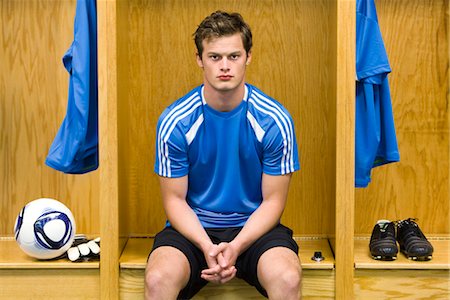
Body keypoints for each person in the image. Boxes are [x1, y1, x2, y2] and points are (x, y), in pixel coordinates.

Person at [145, 11, 302, 300]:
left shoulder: (273, 120)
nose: (225, 66)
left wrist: (237, 245)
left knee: (288, 278)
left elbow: (273, 201)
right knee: (157, 279)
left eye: (234, 56)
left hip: (255, 229)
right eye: (215, 57)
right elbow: (174, 201)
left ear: (248, 57)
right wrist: (207, 246)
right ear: (199, 59)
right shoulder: (176, 121)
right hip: (194, 229)